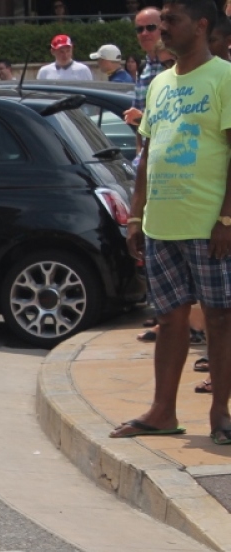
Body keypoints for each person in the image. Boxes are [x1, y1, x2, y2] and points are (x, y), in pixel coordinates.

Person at [111, 0, 231, 444]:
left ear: (200, 26)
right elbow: (146, 155)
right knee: (169, 319)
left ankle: (220, 412)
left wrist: (227, 218)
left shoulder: (225, 77)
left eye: (171, 22)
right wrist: (136, 215)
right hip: (162, 223)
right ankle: (163, 411)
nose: (162, 30)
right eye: (160, 23)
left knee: (219, 318)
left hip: (208, 224)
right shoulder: (160, 83)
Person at [124, 6, 166, 130]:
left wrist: (142, 118)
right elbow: (139, 125)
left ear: (163, 28)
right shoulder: (143, 69)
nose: (144, 33)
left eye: (151, 27)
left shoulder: (176, 65)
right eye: (139, 29)